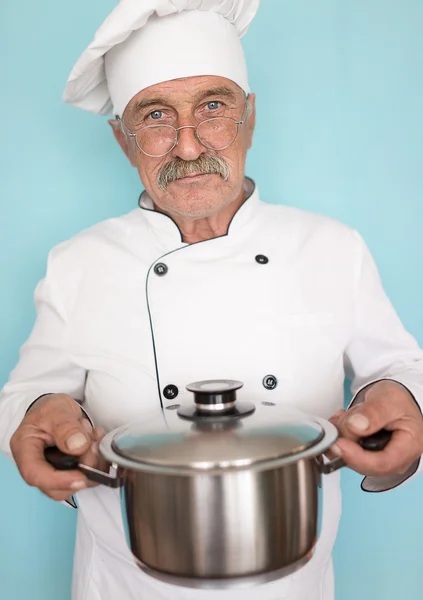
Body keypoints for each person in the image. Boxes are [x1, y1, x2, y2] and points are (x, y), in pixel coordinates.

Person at [1, 1, 423, 599]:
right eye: (155, 117)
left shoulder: (332, 247)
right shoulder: (78, 263)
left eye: (215, 108)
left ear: (251, 118)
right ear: (123, 141)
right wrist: (38, 413)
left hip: (292, 582)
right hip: (125, 584)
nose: (190, 147)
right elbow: (27, 393)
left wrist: (399, 395)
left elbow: (401, 368)